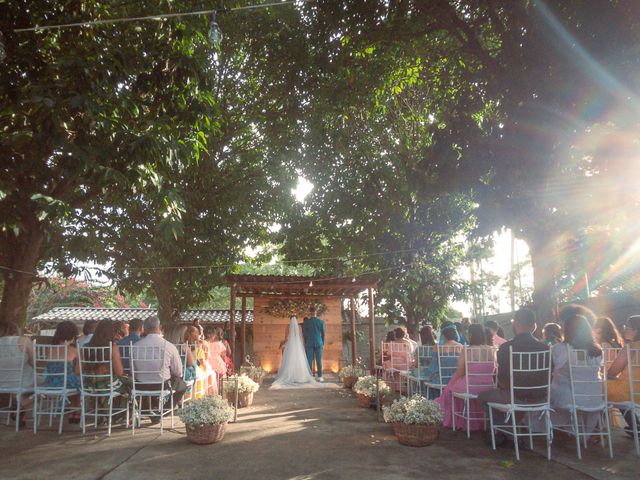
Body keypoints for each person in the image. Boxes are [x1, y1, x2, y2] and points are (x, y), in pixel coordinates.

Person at [478, 308, 549, 445]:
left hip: (515, 396)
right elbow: (549, 375)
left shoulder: (506, 348)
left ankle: (506, 431)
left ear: (516, 324)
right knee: (512, 397)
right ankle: (509, 431)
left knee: (482, 397)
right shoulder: (545, 349)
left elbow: (502, 380)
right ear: (534, 326)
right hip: (541, 397)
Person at [435, 324, 496, 431]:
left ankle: (458, 419)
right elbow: (495, 370)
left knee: (450, 388)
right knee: (456, 381)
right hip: (489, 387)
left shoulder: (467, 350)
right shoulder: (492, 350)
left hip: (470, 387)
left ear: (471, 335)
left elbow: (460, 372)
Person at [550, 313, 603, 434]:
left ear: (566, 330)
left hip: (569, 398)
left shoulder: (560, 348)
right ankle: (583, 431)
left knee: (542, 394)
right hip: (594, 398)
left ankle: (556, 428)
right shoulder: (598, 350)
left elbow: (551, 369)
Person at [132, 316, 186, 420]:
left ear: (144, 328)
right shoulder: (169, 346)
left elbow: (132, 369)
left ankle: (149, 410)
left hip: (140, 386)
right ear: (159, 327)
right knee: (182, 385)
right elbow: (179, 372)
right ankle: (163, 411)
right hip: (162, 385)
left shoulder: (135, 346)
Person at [79, 320, 130, 410]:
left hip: (89, 386)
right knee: (129, 384)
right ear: (111, 332)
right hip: (108, 385)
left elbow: (77, 371)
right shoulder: (112, 347)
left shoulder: (85, 348)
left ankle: (102, 408)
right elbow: (119, 372)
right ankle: (118, 412)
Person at [607, 315, 640, 433]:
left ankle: (598, 429)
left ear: (635, 330)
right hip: (637, 391)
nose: (624, 329)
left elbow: (612, 371)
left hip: (630, 391)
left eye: (627, 327)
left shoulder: (631, 348)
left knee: (602, 388)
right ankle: (635, 426)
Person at [0, 321, 36, 425]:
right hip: (22, 381)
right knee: (43, 388)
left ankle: (20, 412)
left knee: (28, 387)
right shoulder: (23, 341)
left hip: (2, 381)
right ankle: (19, 408)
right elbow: (34, 362)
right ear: (16, 330)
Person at [270, 315, 320, 389]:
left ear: (290, 319)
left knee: (289, 359)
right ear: (296, 319)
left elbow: (286, 338)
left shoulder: (288, 326)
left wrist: (283, 343)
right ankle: (300, 376)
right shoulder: (299, 327)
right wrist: (302, 346)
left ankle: (290, 375)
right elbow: (302, 337)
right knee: (299, 360)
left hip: (290, 344)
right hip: (298, 345)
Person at [421, 323, 462, 399]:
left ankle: (433, 402)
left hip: (441, 379)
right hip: (457, 379)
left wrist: (426, 373)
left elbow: (433, 366)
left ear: (443, 335)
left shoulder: (438, 347)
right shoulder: (461, 347)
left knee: (427, 381)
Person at [183, 325, 216, 395]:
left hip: (182, 370)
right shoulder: (198, 349)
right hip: (193, 370)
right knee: (209, 374)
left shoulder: (181, 346)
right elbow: (203, 363)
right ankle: (205, 395)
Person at [302, 306, 326, 381]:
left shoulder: (306, 322)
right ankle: (320, 376)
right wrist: (322, 343)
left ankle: (309, 376)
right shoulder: (321, 322)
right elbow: (323, 334)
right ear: (316, 312)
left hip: (309, 342)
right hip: (319, 342)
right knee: (319, 360)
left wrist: (306, 342)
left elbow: (305, 334)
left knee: (309, 360)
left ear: (310, 312)